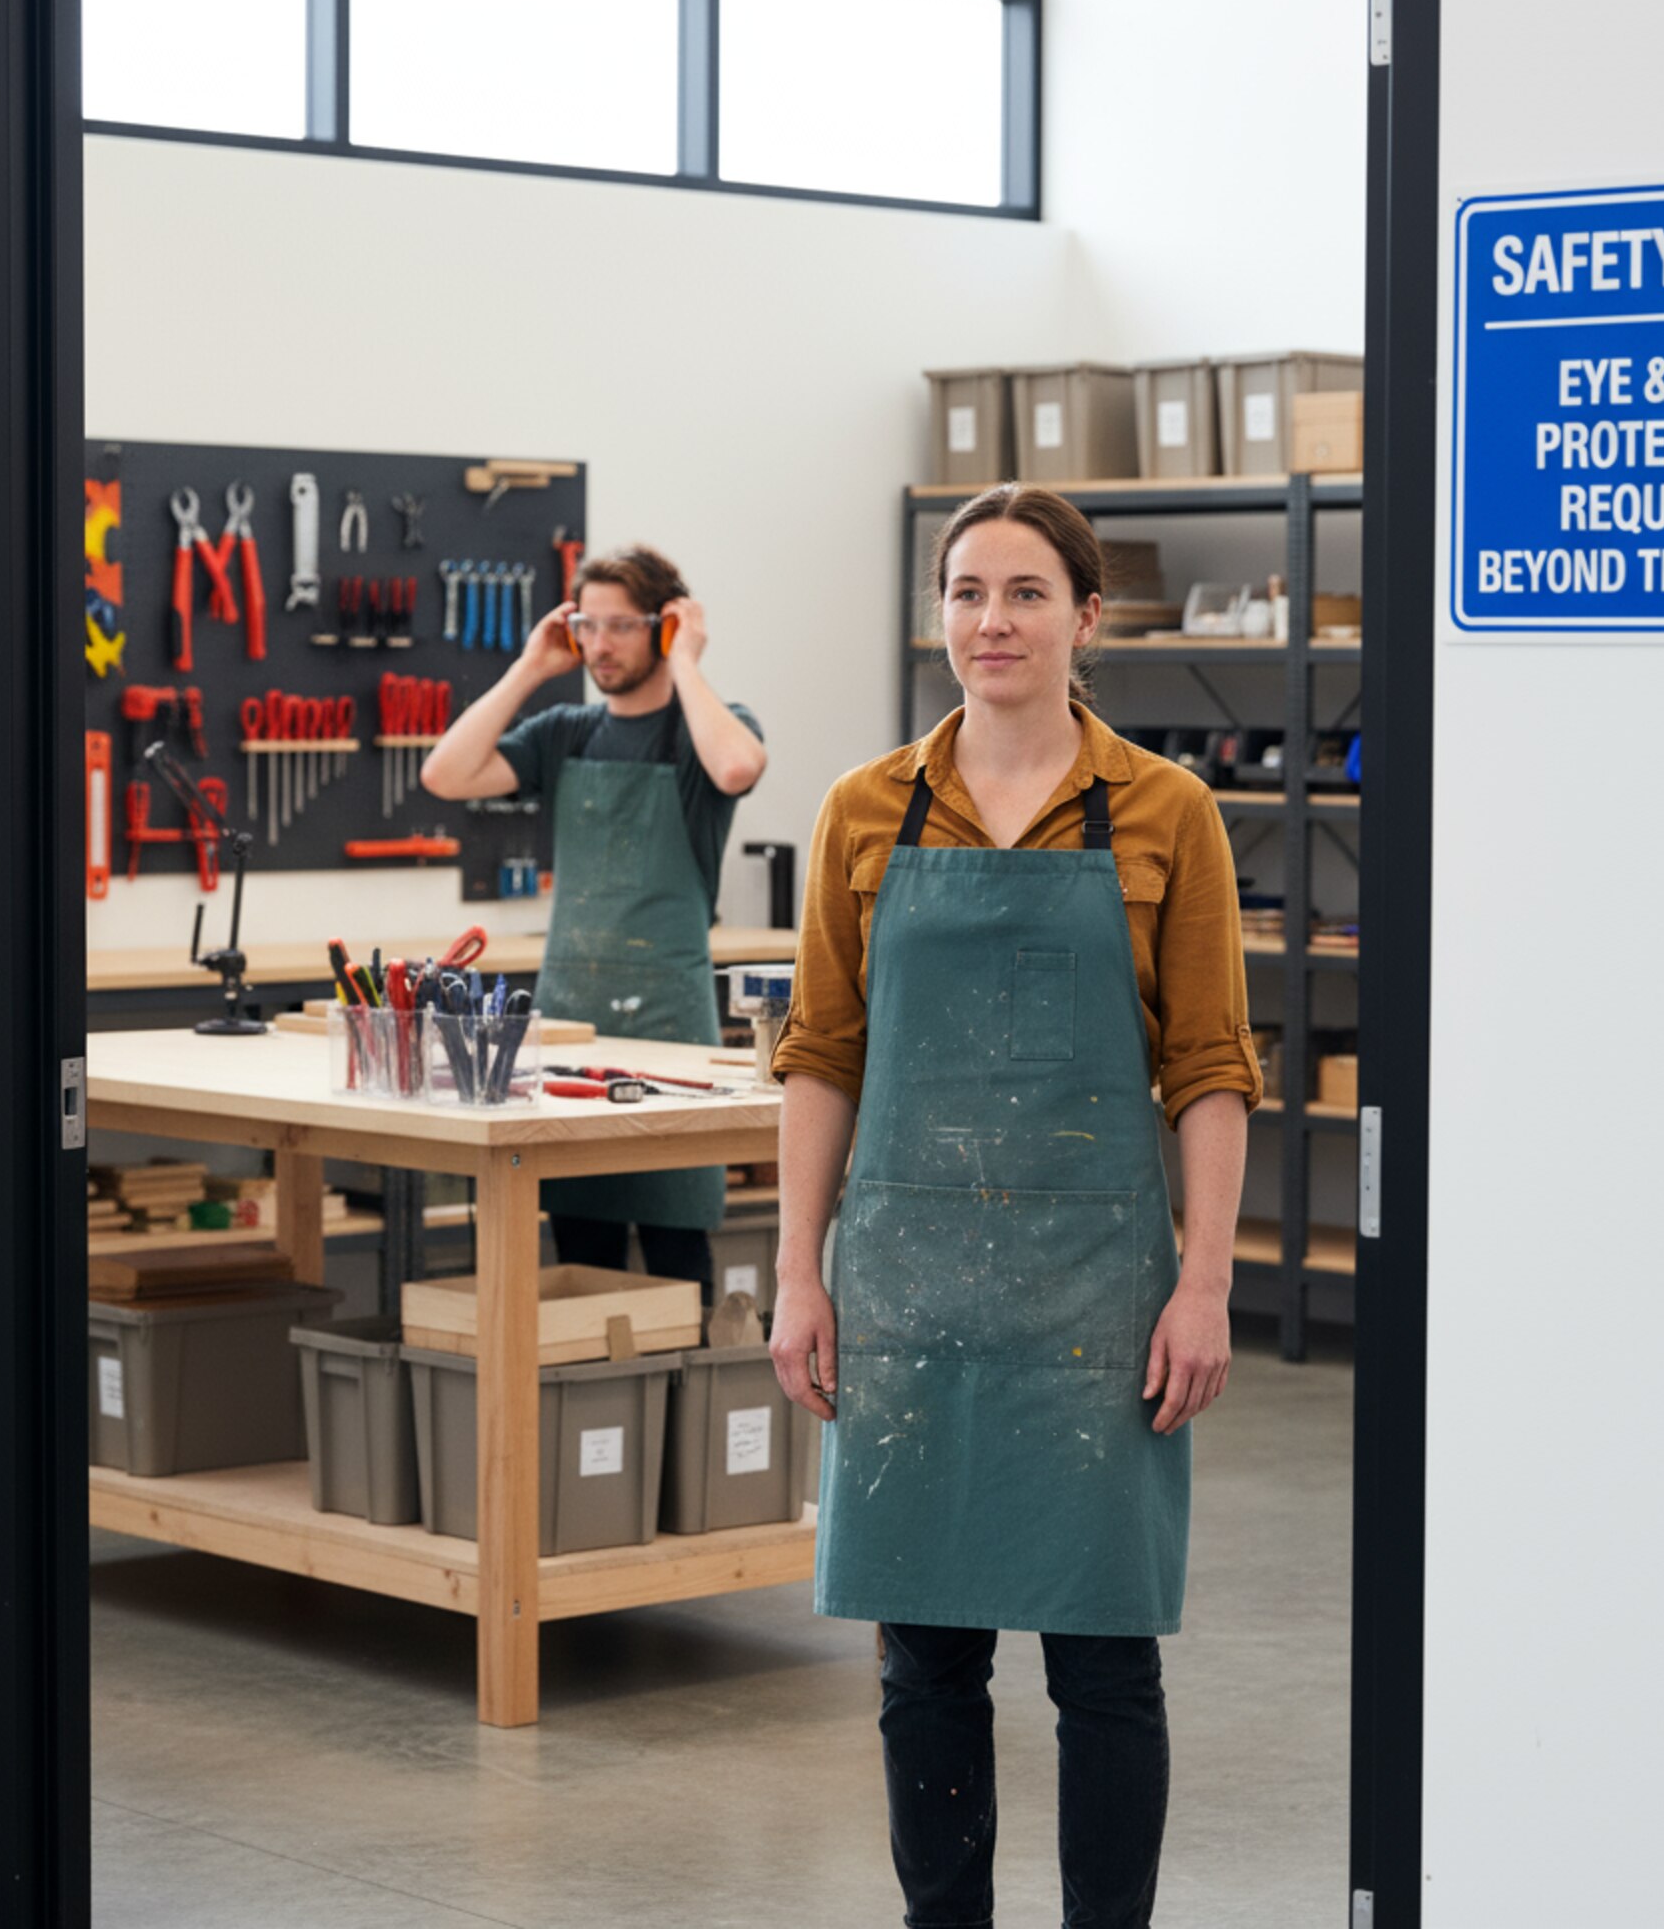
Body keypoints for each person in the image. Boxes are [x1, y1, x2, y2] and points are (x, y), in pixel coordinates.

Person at [767, 481, 1260, 1929]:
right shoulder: (865, 810)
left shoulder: (1170, 813)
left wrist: (1208, 1279)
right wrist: (802, 1270)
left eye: (1027, 592)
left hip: (1097, 1297)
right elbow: (821, 1052)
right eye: (969, 592)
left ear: (1085, 617)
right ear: (941, 619)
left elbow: (1210, 1065)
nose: (994, 620)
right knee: (925, 1662)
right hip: (910, 1290)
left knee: (1105, 1662)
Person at [421, 544, 766, 1285]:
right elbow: (445, 773)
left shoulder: (708, 727)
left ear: (664, 628)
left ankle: (680, 1402)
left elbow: (737, 768)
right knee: (581, 1251)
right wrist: (529, 669)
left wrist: (688, 665)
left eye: (620, 627)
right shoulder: (565, 732)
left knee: (678, 1251)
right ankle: (601, 1404)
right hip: (572, 1014)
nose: (599, 646)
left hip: (670, 1026)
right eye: (587, 626)